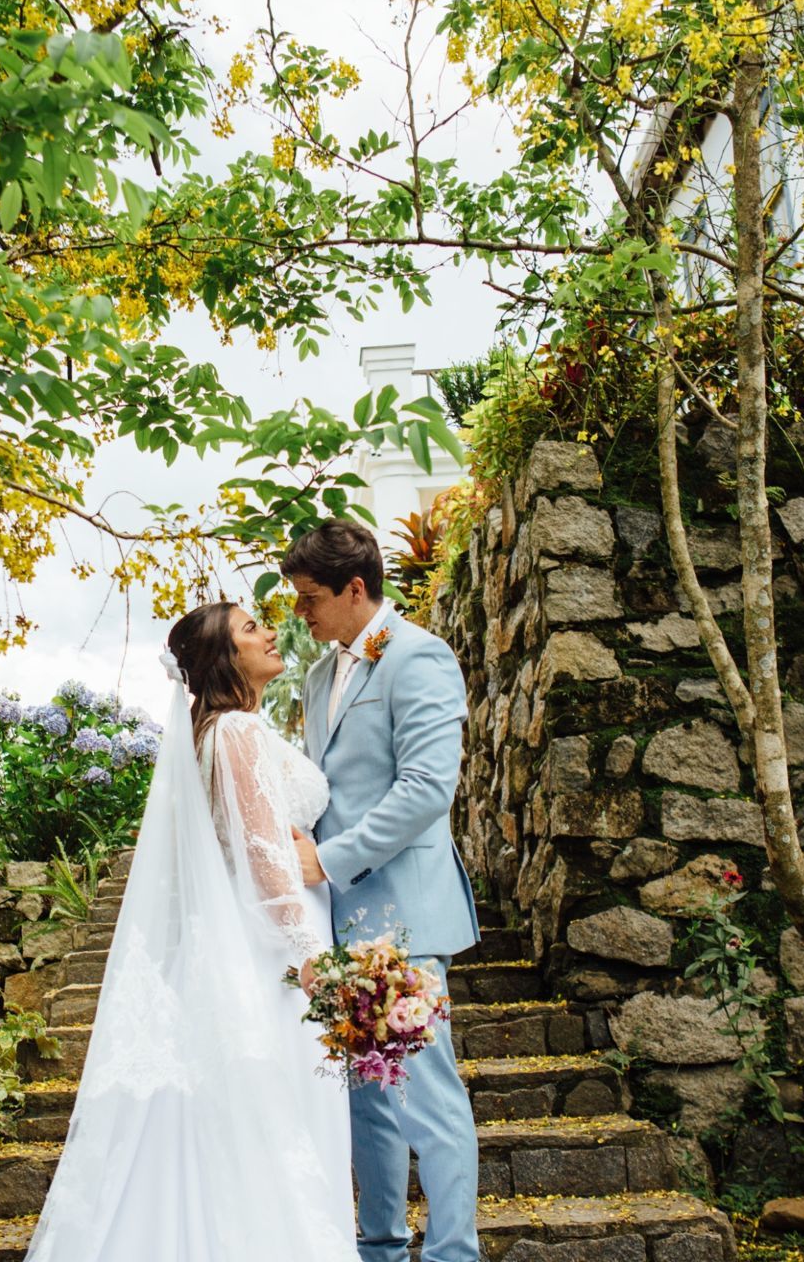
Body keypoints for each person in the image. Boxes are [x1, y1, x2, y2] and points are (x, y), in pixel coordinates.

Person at [21, 600, 357, 1262]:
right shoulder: (234, 732)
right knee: (276, 1126)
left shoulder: (229, 731)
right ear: (227, 658)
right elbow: (263, 857)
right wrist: (314, 957)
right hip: (271, 954)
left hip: (259, 939)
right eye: (250, 629)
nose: (268, 633)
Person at [284, 517, 481, 1262]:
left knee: (428, 1100)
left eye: (309, 599)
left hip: (405, 911)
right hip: (341, 924)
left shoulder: (420, 657)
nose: (299, 614)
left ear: (356, 588)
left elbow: (428, 787)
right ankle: (380, 1248)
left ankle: (455, 1254)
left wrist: (330, 861)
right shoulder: (315, 675)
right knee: (367, 1101)